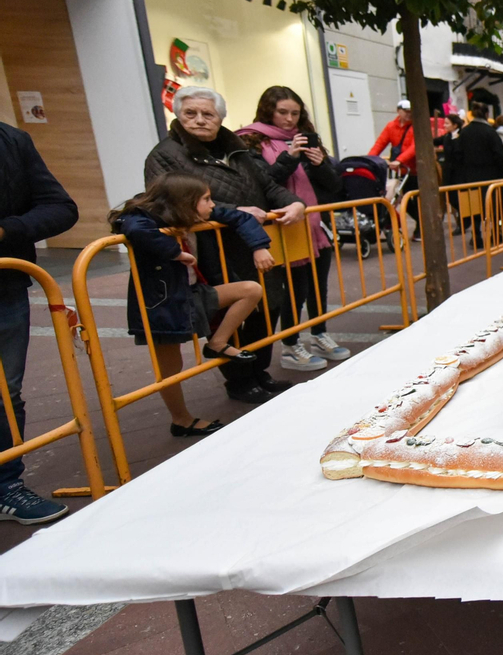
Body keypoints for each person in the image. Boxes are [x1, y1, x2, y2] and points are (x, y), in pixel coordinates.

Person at [145, 86, 304, 405]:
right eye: (191, 113)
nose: (200, 120)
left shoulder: (238, 148)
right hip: (209, 250)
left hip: (256, 244)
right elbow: (165, 202)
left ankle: (259, 370)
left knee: (268, 307)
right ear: (177, 114)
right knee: (227, 315)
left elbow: (268, 185)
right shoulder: (163, 154)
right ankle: (240, 380)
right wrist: (232, 212)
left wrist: (294, 203)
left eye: (208, 114)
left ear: (220, 118)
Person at [112, 174, 270, 436]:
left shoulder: (190, 213)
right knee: (171, 370)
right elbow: (132, 227)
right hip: (161, 305)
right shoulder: (140, 218)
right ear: (185, 202)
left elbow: (238, 216)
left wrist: (259, 246)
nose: (211, 206)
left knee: (250, 290)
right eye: (206, 199)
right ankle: (181, 420)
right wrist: (176, 252)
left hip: (194, 293)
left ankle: (217, 343)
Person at [240, 86, 351, 372]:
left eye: (295, 113)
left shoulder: (305, 140)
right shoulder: (251, 141)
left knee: (316, 286)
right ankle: (290, 345)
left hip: (314, 226)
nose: (289, 119)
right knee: (293, 291)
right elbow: (261, 185)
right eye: (282, 112)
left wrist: (320, 164)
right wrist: (289, 157)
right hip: (280, 229)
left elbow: (333, 187)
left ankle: (318, 333)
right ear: (268, 111)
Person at [0, 121, 77, 524]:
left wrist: (7, 229)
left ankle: (5, 486)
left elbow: (60, 207)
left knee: (5, 392)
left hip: (4, 285)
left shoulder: (12, 140)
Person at [447, 111, 503, 245]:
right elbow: (499, 155)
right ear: (486, 115)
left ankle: (476, 235)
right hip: (490, 176)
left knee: (474, 208)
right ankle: (496, 232)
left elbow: (457, 154)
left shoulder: (464, 132)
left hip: (470, 177)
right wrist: (499, 172)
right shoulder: (490, 132)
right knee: (494, 207)